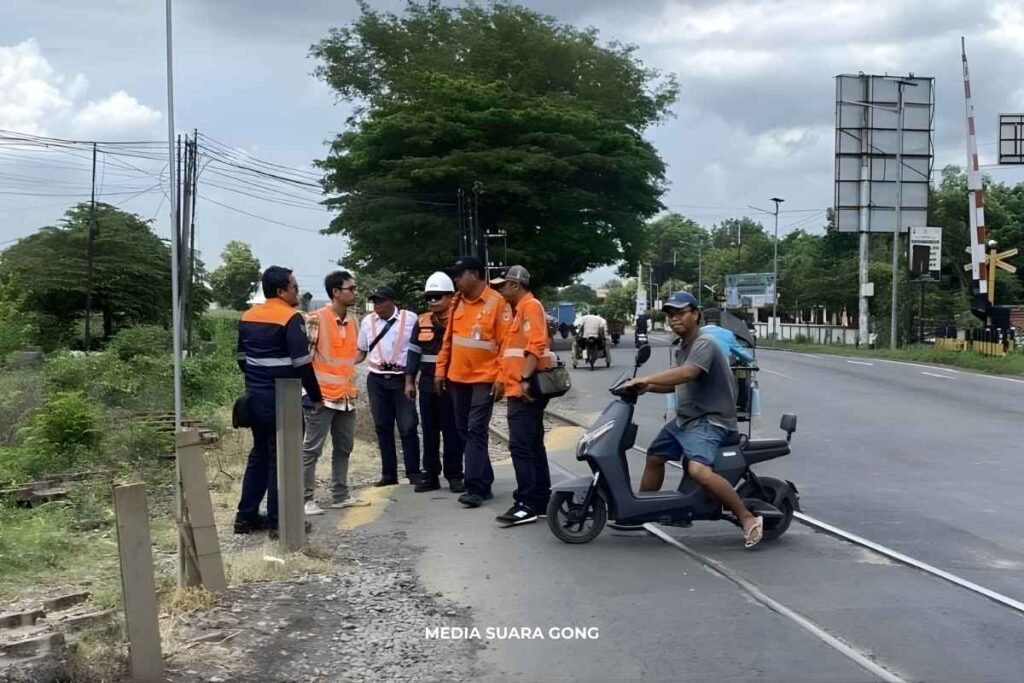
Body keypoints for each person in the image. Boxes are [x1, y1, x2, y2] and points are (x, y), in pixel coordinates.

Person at [622, 291, 764, 548]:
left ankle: (747, 518)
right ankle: (640, 512)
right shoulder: (684, 347)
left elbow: (688, 373)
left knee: (698, 470)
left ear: (696, 314)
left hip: (710, 421)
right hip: (686, 420)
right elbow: (680, 385)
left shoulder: (704, 343)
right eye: (670, 315)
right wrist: (646, 388)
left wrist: (648, 378)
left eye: (680, 313)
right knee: (654, 456)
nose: (674, 319)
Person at [235, 266, 322, 535]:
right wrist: (316, 396)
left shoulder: (248, 316)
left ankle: (246, 516)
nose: (297, 291)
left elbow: (241, 358)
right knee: (282, 459)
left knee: (259, 455)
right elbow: (302, 363)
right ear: (281, 290)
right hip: (282, 400)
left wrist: (258, 380)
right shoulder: (290, 318)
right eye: (294, 287)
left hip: (254, 398)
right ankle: (279, 520)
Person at [434, 256, 512, 508]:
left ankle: (475, 487)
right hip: (457, 378)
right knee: (462, 430)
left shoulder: (497, 303)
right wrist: (440, 371)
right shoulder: (456, 302)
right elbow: (448, 340)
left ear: (475, 275)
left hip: (484, 378)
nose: (456, 279)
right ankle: (484, 479)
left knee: (475, 430)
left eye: (459, 274)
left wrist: (501, 378)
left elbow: (506, 345)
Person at [301, 270, 370, 516]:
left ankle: (340, 495)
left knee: (344, 447)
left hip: (346, 396)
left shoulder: (353, 321)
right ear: (335, 292)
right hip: (321, 398)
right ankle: (305, 499)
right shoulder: (315, 319)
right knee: (311, 450)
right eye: (350, 288)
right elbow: (304, 360)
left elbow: (351, 357)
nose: (355, 292)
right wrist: (310, 395)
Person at [491, 266, 553, 526]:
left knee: (521, 446)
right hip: (518, 388)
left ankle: (526, 503)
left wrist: (525, 380)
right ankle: (540, 500)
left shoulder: (530, 306)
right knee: (532, 444)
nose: (500, 290)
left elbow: (536, 344)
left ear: (516, 285)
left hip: (525, 391)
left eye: (503, 285)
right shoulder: (520, 310)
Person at [404, 272, 465, 493]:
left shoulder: (460, 319)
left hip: (452, 382)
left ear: (450, 296)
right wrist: (409, 381)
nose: (432, 301)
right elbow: (413, 353)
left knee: (452, 431)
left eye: (437, 297)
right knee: (429, 431)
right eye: (429, 297)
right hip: (428, 383)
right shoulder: (422, 321)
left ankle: (455, 474)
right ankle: (430, 475)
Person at [358, 285, 421, 487]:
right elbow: (361, 350)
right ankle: (388, 474)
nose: (377, 305)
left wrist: (413, 377)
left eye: (381, 301)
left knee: (408, 426)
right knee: (382, 427)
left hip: (401, 378)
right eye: (375, 301)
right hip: (377, 378)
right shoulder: (367, 322)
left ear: (392, 300)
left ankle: (413, 471)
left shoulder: (410, 319)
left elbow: (416, 349)